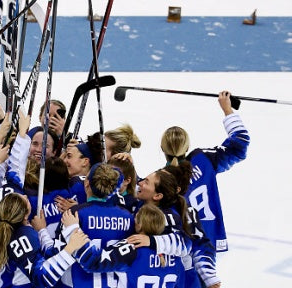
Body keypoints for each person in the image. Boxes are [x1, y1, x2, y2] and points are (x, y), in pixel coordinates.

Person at [160, 90, 250, 252]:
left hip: (183, 252)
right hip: (212, 245)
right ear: (187, 147)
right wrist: (227, 111)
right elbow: (240, 145)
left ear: (162, 148)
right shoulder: (203, 160)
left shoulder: (157, 180)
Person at [53, 163, 134, 288]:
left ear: (86, 184)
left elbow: (56, 253)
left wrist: (41, 230)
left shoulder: (74, 214)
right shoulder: (129, 217)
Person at [75, 204, 186, 288]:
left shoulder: (131, 248)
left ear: (139, 224)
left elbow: (92, 262)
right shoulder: (174, 253)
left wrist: (72, 230)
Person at [0, 193, 89, 287]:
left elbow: (47, 255)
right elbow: (41, 279)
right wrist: (69, 249)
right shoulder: (22, 238)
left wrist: (41, 230)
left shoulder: (14, 230)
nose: (26, 196)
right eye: (26, 199)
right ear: (25, 215)